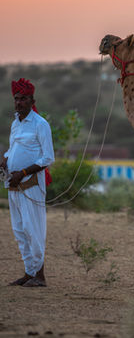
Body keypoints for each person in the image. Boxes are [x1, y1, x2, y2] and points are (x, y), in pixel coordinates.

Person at [2, 78, 54, 287]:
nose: (19, 102)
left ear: (32, 100)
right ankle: (29, 272)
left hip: (30, 186)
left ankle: (40, 275)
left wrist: (22, 172)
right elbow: (12, 150)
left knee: (34, 230)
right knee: (20, 231)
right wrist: (5, 161)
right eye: (16, 98)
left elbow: (47, 158)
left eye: (23, 98)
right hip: (13, 186)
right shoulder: (15, 123)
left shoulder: (41, 124)